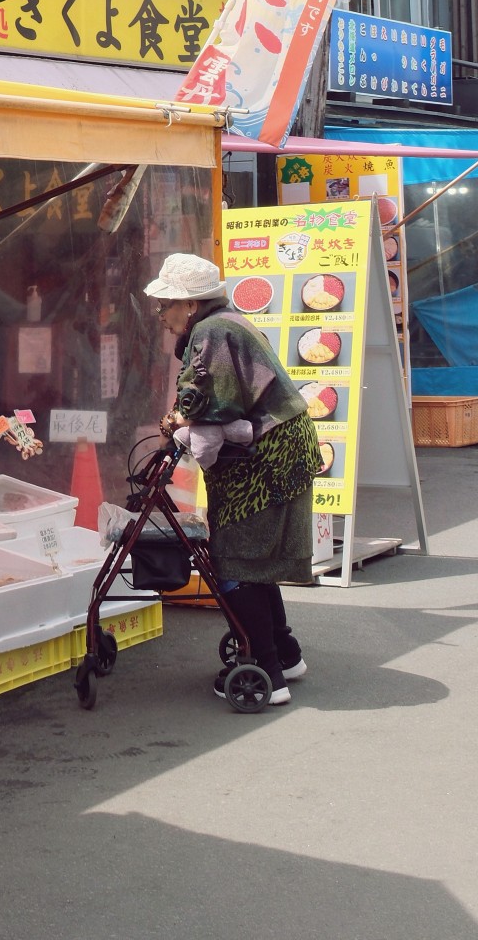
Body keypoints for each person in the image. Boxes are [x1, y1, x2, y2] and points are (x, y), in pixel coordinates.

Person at [146, 252, 321, 707]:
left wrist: (173, 422)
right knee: (257, 558)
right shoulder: (228, 321)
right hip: (284, 445)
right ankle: (285, 653)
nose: (161, 315)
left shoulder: (211, 330)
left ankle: (267, 673)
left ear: (188, 304)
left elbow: (207, 402)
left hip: (265, 459)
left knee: (237, 558)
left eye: (164, 304)